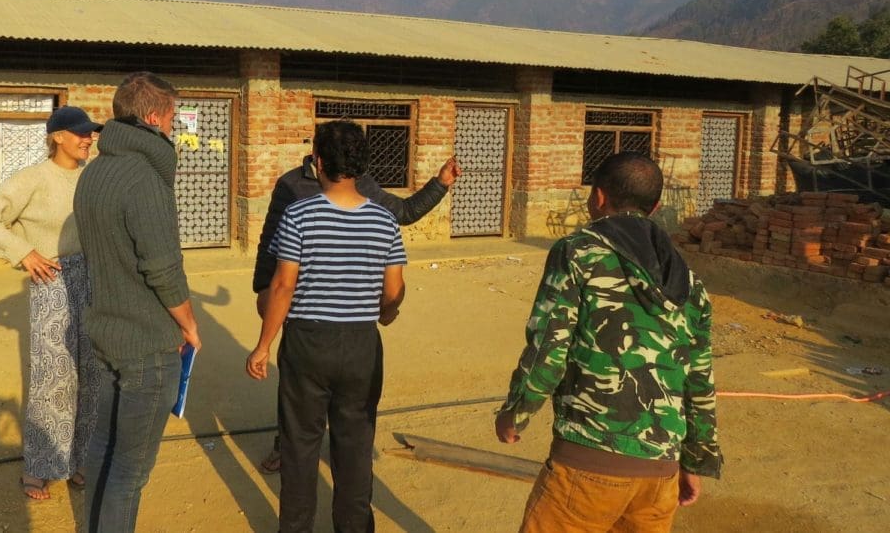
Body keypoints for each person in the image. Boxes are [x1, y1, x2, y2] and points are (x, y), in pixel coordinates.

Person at [495, 151, 722, 533]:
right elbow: (699, 378)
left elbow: (549, 346)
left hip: (588, 466)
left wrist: (516, 411)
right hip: (660, 476)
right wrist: (694, 460)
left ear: (598, 197)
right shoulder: (689, 281)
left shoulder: (578, 253)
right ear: (656, 206)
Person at [253, 149, 461, 473]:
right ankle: (287, 445)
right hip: (306, 319)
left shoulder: (361, 185)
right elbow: (271, 242)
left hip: (354, 321)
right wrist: (263, 290)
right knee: (298, 399)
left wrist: (440, 183)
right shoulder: (292, 186)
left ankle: (341, 462)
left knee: (349, 415)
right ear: (319, 157)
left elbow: (403, 212)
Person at [246, 120, 407, 533]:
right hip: (361, 346)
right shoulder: (384, 220)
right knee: (354, 445)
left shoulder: (299, 214)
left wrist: (264, 345)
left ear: (317, 161)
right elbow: (393, 290)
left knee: (300, 445)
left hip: (307, 342)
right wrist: (386, 315)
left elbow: (282, 285)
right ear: (362, 165)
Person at [73, 71, 201, 532]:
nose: (173, 129)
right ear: (153, 117)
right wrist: (188, 325)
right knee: (128, 473)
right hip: (147, 345)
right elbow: (163, 270)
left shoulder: (95, 173)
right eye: (171, 120)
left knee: (102, 451)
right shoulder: (144, 179)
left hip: (107, 332)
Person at [0, 105, 104, 500]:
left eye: (91, 133)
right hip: (53, 281)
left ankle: (76, 459)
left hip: (93, 280)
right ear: (57, 136)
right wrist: (24, 252)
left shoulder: (92, 177)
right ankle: (41, 466)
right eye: (80, 133)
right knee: (54, 377)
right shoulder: (32, 179)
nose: (87, 139)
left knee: (90, 374)